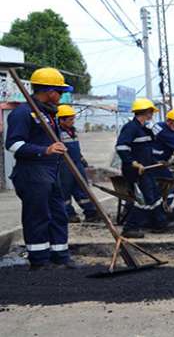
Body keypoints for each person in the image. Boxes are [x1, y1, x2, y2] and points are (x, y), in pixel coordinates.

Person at [6, 67, 78, 270]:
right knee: (38, 216)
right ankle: (39, 261)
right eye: (60, 91)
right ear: (49, 91)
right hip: (32, 173)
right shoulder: (22, 113)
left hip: (50, 172)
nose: (62, 96)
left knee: (59, 213)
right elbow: (13, 145)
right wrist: (44, 150)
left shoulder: (47, 113)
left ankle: (60, 256)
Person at [116, 98, 172, 239]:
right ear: (146, 112)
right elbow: (121, 147)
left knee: (156, 195)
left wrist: (158, 162)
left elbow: (147, 151)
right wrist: (133, 163)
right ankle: (130, 228)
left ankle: (159, 223)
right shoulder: (131, 128)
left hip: (147, 169)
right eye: (151, 111)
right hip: (136, 171)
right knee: (145, 199)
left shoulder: (144, 130)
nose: (152, 114)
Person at [57, 104, 100, 223]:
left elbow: (76, 149)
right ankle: (69, 214)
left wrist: (82, 161)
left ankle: (90, 213)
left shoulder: (72, 131)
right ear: (61, 120)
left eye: (73, 119)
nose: (73, 122)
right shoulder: (56, 133)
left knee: (83, 189)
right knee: (64, 190)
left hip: (77, 164)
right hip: (64, 166)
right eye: (70, 119)